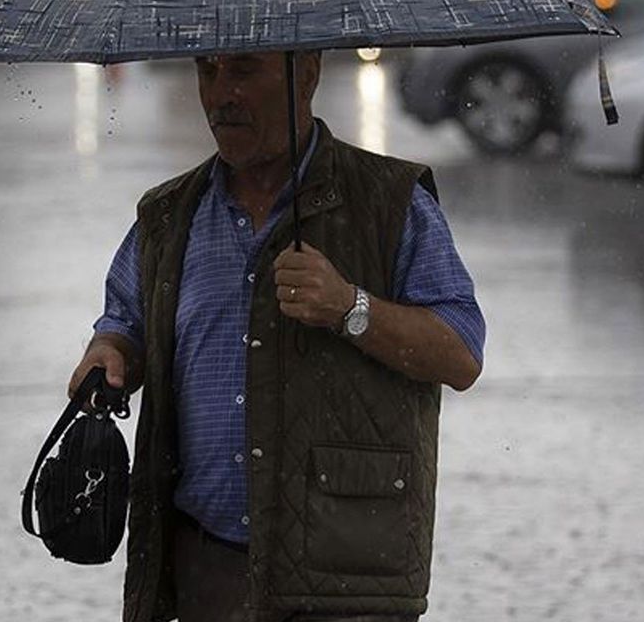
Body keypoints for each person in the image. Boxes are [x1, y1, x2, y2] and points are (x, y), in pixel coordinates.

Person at [67, 50, 485, 622]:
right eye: (208, 71)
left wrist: (350, 307)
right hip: (206, 570)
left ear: (305, 73)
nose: (221, 95)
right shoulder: (168, 215)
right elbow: (125, 322)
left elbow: (461, 353)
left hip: (345, 576)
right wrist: (109, 354)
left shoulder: (390, 201)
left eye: (243, 71)